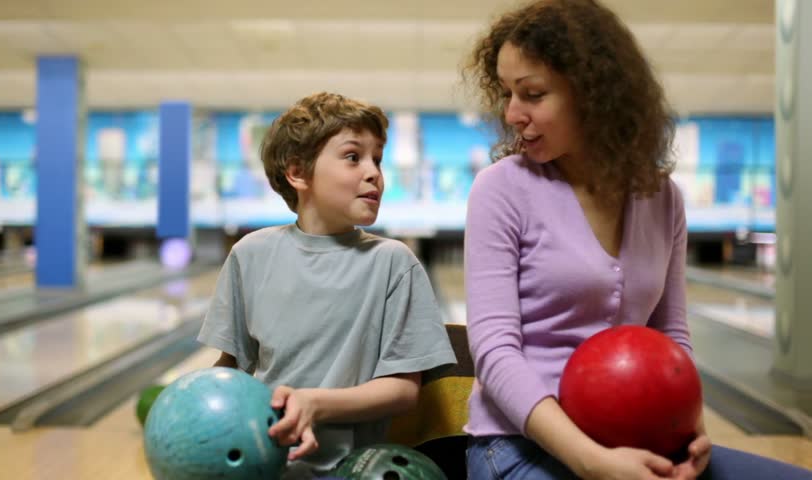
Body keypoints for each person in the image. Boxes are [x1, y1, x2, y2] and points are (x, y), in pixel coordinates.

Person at [461, 1, 812, 479]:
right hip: (519, 446)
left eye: (533, 94)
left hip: (640, 441)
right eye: (506, 93)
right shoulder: (501, 189)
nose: (513, 113)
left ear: (592, 92)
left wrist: (690, 437)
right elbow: (496, 352)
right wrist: (593, 462)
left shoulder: (663, 197)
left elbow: (672, 337)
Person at [197, 92, 456, 479]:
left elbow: (403, 390)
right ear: (298, 173)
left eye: (378, 160)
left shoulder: (394, 262)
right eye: (354, 157)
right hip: (260, 460)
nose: (374, 173)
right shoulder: (249, 255)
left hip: (352, 468)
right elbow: (231, 369)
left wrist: (314, 403)